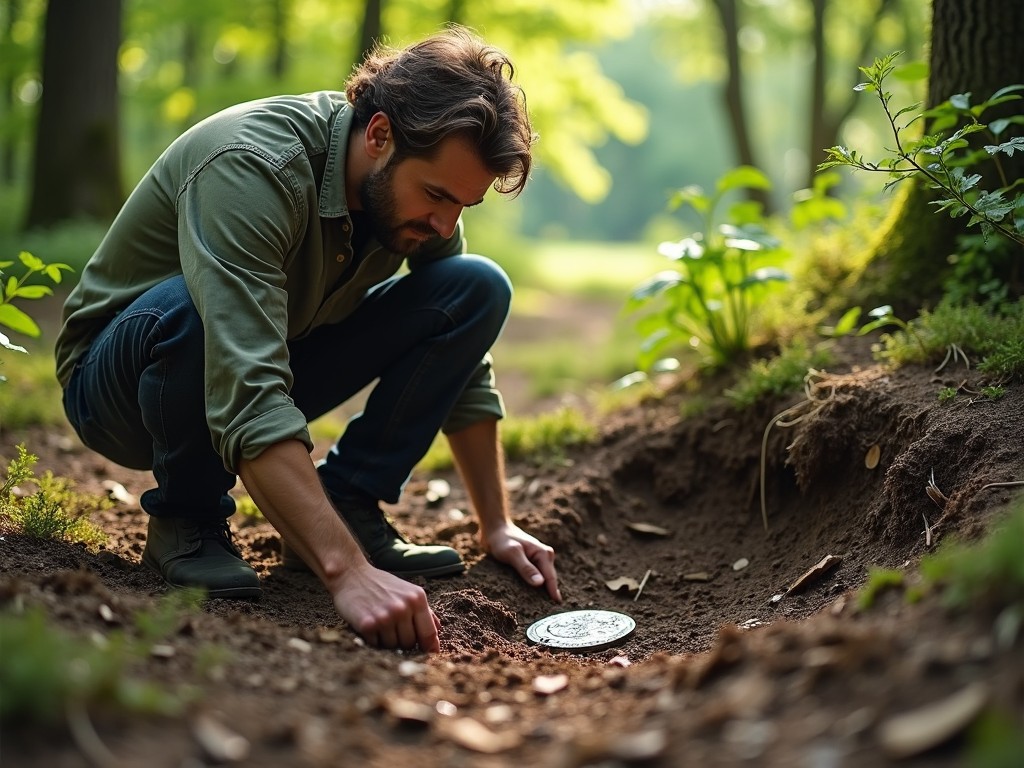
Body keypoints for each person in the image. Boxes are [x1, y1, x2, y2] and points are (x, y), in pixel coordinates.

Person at [55, 26, 561, 654]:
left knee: (475, 284)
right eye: (436, 195)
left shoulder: (411, 203)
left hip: (267, 351)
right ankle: (188, 518)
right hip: (123, 386)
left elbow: (460, 344)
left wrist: (497, 524)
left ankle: (347, 503)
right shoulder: (251, 167)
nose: (444, 223)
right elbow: (247, 383)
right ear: (379, 135)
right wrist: (347, 574)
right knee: (194, 306)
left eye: (464, 206)